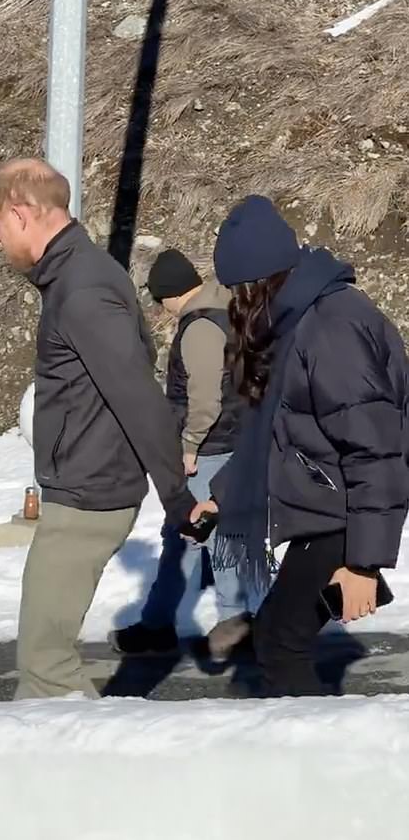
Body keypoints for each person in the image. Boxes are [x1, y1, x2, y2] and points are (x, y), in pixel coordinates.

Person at [0, 158, 199, 699]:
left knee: (45, 664)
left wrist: (177, 496)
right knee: (44, 659)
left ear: (21, 212)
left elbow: (136, 394)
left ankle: (78, 774)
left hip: (89, 493)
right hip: (83, 483)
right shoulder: (76, 276)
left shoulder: (81, 288)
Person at [197, 195, 409, 697]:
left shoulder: (331, 327)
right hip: (332, 504)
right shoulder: (299, 321)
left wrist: (362, 564)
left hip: (343, 512)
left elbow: (374, 447)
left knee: (280, 643)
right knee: (276, 636)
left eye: (238, 290)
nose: (236, 305)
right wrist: (224, 495)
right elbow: (279, 432)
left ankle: (312, 762)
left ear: (258, 281)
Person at [109, 249, 257, 660]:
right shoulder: (226, 308)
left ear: (170, 294)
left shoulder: (200, 327)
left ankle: (226, 623)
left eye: (160, 302)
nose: (163, 311)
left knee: (197, 532)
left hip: (211, 446)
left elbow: (205, 400)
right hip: (231, 439)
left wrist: (189, 447)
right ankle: (189, 622)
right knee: (198, 534)